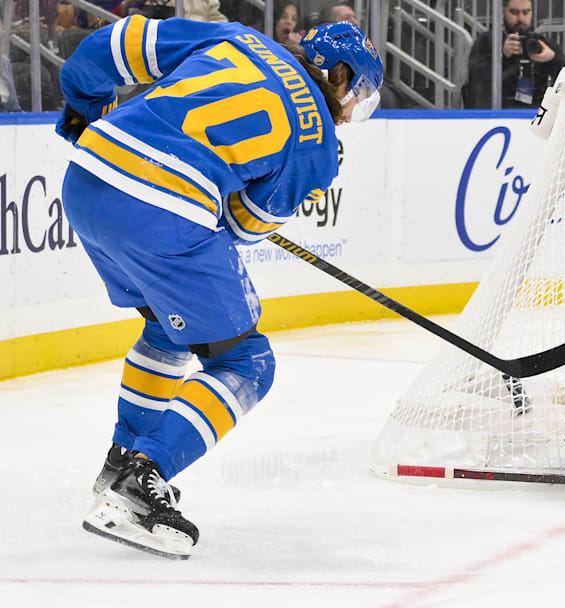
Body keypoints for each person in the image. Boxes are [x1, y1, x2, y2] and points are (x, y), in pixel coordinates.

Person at [55, 17, 383, 559]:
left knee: (165, 326)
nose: (352, 111)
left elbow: (104, 47)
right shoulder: (318, 146)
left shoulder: (240, 39)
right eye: (360, 94)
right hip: (162, 212)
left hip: (87, 180)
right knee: (247, 362)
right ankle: (143, 478)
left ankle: (123, 457)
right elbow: (242, 225)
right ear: (342, 75)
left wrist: (83, 108)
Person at [461, 0, 565, 109]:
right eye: (514, 12)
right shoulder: (488, 41)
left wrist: (553, 59)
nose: (520, 18)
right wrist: (501, 56)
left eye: (526, 12)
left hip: (534, 112)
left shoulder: (542, 44)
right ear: (503, 11)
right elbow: (475, 78)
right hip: (496, 109)